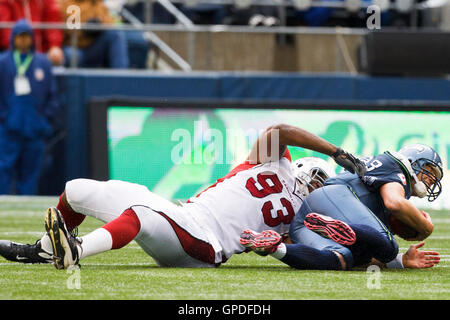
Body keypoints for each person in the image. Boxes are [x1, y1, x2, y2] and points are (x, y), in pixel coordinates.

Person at [0, 123, 366, 268]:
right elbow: (281, 131)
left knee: (141, 216)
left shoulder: (307, 216)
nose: (315, 187)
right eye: (315, 179)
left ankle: (75, 252)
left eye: (321, 184)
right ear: (302, 167)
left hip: (206, 244)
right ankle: (47, 249)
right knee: (76, 190)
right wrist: (335, 152)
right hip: (185, 214)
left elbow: (329, 252)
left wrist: (390, 261)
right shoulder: (270, 163)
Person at [241, 143, 443, 271]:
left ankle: (272, 247)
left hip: (305, 220)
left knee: (342, 259)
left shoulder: (381, 197)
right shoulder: (395, 166)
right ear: (414, 162)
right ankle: (332, 224)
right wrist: (426, 228)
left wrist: (401, 261)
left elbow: (367, 259)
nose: (431, 181)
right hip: (336, 197)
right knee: (388, 247)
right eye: (430, 171)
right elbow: (395, 203)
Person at [0, 19, 60, 195]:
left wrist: (43, 121)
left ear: (32, 39)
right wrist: (4, 118)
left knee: (31, 173)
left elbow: (53, 96)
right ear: (14, 38)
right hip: (8, 130)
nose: (23, 41)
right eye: (20, 37)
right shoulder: (3, 63)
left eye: (27, 37)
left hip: (34, 130)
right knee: (4, 169)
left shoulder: (42, 63)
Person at [59, 0, 129, 68]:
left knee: (115, 34)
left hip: (93, 46)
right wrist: (84, 29)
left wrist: (99, 25)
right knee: (71, 55)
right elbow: (66, 29)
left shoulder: (97, 2)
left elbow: (109, 23)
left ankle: (121, 76)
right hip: (74, 47)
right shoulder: (65, 3)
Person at [0, 0, 64, 65]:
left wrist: (54, 46)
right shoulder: (5, 2)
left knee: (66, 56)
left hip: (43, 52)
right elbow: (5, 32)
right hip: (13, 52)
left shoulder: (46, 2)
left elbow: (52, 22)